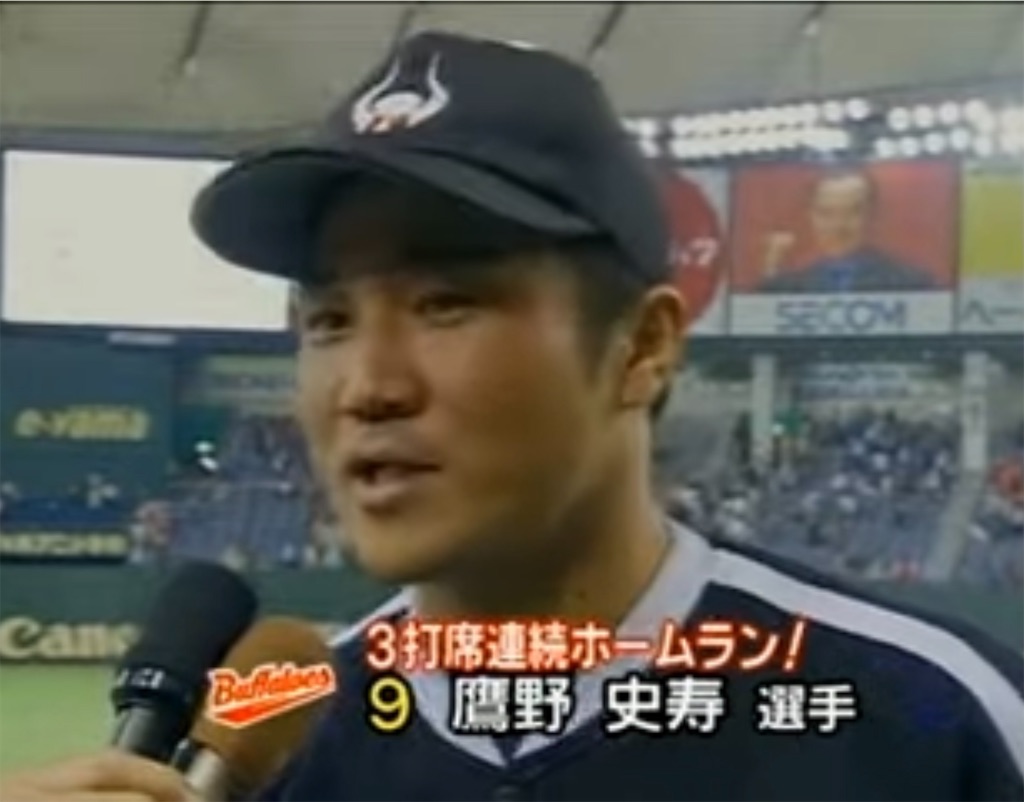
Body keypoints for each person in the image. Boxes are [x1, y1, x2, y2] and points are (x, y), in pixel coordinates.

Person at [3, 30, 1021, 802]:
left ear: (642, 347)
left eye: (448, 303)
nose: (367, 384)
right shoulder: (278, 738)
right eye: (328, 319)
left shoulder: (938, 720)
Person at [758, 169, 939, 294]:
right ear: (810, 216)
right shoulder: (790, 287)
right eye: (826, 213)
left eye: (852, 213)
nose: (838, 227)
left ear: (873, 216)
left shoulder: (912, 283)